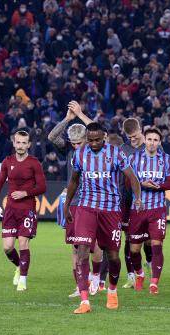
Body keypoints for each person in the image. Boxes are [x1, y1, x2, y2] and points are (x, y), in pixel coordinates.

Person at [64, 122, 142, 314]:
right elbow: (74, 180)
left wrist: (138, 198)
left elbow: (132, 177)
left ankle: (112, 291)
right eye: (90, 140)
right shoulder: (80, 154)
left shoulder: (116, 153)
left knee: (113, 256)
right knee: (81, 251)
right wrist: (67, 205)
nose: (94, 143)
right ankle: (84, 301)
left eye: (97, 139)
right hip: (86, 207)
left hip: (110, 210)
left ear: (104, 136)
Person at [49, 101, 104, 297]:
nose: (75, 146)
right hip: (74, 203)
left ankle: (96, 280)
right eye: (73, 143)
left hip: (93, 202)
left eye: (79, 142)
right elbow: (52, 136)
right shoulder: (70, 151)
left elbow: (101, 132)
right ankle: (79, 285)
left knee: (95, 245)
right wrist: (68, 119)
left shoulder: (97, 151)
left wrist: (81, 114)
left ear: (88, 140)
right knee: (75, 247)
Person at [0, 130, 46, 291]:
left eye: (24, 143)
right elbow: (0, 181)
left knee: (23, 242)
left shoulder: (34, 163)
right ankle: (18, 266)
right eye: (18, 142)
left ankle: (23, 279)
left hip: (27, 209)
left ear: (28, 144)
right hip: (10, 210)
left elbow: (42, 187)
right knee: (7, 247)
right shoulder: (7, 162)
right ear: (14, 143)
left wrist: (25, 193)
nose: (21, 145)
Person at [128, 127, 170, 294]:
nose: (152, 143)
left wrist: (156, 186)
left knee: (157, 245)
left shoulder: (166, 159)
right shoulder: (134, 158)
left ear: (159, 142)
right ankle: (139, 274)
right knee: (134, 249)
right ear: (144, 140)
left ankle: (154, 282)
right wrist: (141, 184)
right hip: (138, 209)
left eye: (155, 140)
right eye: (149, 139)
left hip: (158, 209)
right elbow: (128, 183)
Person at [120, 118, 153, 289]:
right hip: (126, 200)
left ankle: (149, 263)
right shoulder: (123, 149)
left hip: (146, 200)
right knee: (129, 239)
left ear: (141, 129)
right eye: (129, 137)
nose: (132, 140)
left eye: (134, 136)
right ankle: (131, 276)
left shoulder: (150, 145)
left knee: (147, 239)